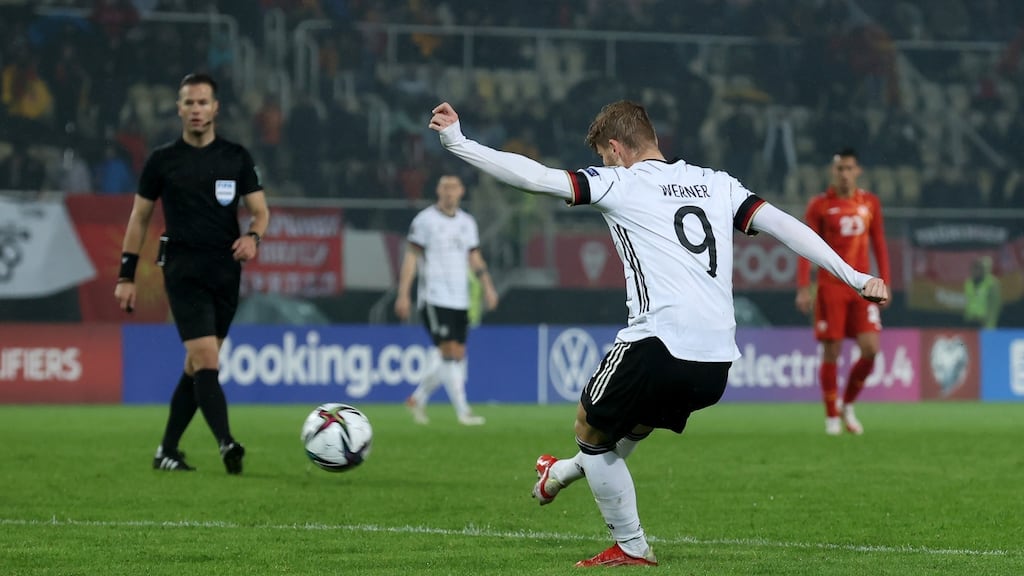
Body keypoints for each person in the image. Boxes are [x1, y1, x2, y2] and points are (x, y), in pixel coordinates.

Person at [427, 100, 888, 567]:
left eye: (604, 156)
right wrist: (855, 275)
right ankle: (559, 474)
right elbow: (785, 226)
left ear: (616, 148)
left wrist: (458, 142)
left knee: (590, 429)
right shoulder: (717, 183)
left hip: (659, 344)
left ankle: (631, 546)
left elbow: (535, 177)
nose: (604, 164)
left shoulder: (620, 182)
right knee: (628, 430)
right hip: (716, 364)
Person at [114, 73, 269, 474]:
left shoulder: (235, 156)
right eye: (189, 103)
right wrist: (126, 275)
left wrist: (253, 237)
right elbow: (139, 218)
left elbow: (260, 211)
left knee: (197, 365)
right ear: (179, 109)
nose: (196, 109)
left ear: (215, 108)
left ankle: (166, 450)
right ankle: (227, 443)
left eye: (203, 102)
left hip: (225, 272)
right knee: (205, 358)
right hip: (183, 270)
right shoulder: (162, 161)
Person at [795, 148, 890, 436]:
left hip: (863, 287)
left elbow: (879, 243)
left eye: (849, 168)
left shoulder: (870, 203)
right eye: (840, 169)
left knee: (871, 349)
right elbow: (805, 245)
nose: (844, 174)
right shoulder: (820, 205)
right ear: (832, 171)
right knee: (832, 350)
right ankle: (831, 418)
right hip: (831, 286)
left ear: (857, 171)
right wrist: (803, 286)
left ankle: (847, 404)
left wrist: (885, 281)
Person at [395, 174, 498, 426]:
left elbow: (474, 257)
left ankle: (417, 398)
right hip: (434, 296)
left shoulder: (467, 223)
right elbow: (411, 258)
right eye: (445, 187)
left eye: (454, 187)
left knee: (456, 354)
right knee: (449, 352)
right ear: (438, 191)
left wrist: (488, 287)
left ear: (461, 191)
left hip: (460, 298)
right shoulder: (425, 221)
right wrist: (403, 294)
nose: (449, 192)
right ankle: (464, 411)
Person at [963, 255, 1001, 328]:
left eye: (978, 269)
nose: (975, 271)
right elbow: (967, 301)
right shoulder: (968, 283)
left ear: (983, 270)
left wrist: (990, 323)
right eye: (973, 269)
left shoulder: (991, 283)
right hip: (970, 320)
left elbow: (995, 305)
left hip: (984, 321)